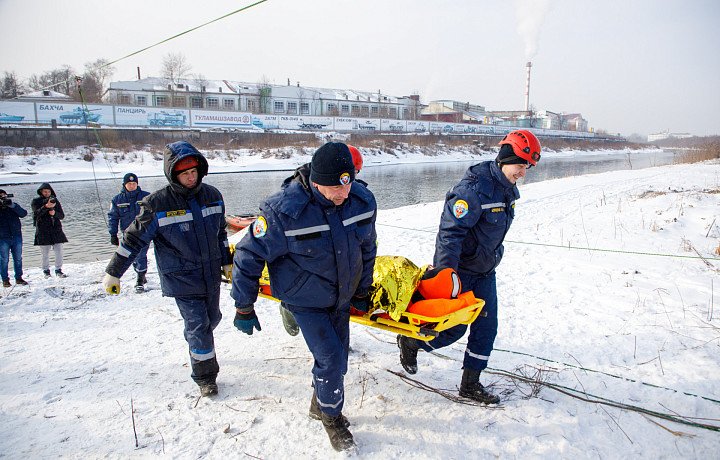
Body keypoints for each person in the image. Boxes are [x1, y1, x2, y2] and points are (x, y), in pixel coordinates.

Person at [231, 142, 377, 452]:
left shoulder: (360, 201)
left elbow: (367, 248)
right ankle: (332, 418)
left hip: (340, 295)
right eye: (335, 187)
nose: (343, 193)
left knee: (338, 361)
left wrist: (363, 290)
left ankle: (319, 403)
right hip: (304, 299)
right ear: (315, 181)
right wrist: (244, 306)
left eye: (348, 182)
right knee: (331, 358)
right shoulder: (283, 211)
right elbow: (247, 255)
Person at [397, 129, 542, 404]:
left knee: (487, 328)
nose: (523, 173)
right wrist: (445, 279)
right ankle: (412, 342)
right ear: (504, 159)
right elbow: (449, 236)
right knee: (453, 330)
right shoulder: (474, 191)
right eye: (520, 166)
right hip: (460, 274)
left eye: (527, 167)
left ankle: (470, 385)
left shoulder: (506, 188)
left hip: (486, 271)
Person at [102, 141, 233, 397]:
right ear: (173, 174)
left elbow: (221, 233)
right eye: (185, 174)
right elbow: (132, 240)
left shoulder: (213, 195)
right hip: (181, 278)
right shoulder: (156, 203)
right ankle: (206, 377)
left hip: (210, 276)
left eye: (194, 172)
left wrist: (226, 261)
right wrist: (114, 271)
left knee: (212, 320)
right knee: (199, 328)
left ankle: (197, 342)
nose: (191, 178)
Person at [275, 145, 367, 337]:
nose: (352, 179)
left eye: (356, 173)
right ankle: (288, 308)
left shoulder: (356, 193)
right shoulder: (301, 195)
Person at [107, 172, 151, 292]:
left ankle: (140, 280)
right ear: (124, 185)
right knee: (131, 256)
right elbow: (113, 218)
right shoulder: (117, 200)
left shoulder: (146, 197)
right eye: (129, 184)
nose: (132, 186)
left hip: (144, 233)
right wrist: (113, 234)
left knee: (141, 255)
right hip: (128, 234)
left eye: (134, 183)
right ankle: (140, 273)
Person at [31, 183, 68, 278]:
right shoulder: (36, 201)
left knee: (59, 251)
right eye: (45, 192)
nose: (47, 193)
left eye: (48, 192)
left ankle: (58, 269)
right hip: (43, 230)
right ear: (41, 192)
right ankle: (46, 270)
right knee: (45, 253)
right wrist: (46, 207)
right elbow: (36, 214)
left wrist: (54, 213)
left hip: (56, 229)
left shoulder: (55, 201)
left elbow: (62, 215)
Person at [0, 189, 28, 287]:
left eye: (4, 196)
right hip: (2, 238)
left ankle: (19, 278)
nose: (4, 199)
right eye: (1, 197)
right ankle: (5, 279)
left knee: (18, 259)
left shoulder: (12, 206)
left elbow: (24, 214)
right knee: (4, 259)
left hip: (16, 236)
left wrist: (13, 206)